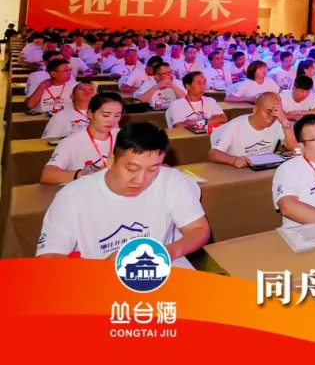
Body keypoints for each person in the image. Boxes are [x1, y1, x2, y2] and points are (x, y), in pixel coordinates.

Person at [37, 121, 209, 261]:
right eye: (132, 169)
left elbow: (199, 229)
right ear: (111, 160)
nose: (140, 180)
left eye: (152, 169)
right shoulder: (72, 197)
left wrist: (167, 252)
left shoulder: (171, 180)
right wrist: (103, 267)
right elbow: (47, 259)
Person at [41, 91, 124, 184]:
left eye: (117, 115)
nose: (111, 120)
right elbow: (47, 175)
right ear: (90, 113)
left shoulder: (123, 136)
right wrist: (81, 174)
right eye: (106, 115)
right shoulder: (71, 142)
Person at [209, 92, 295, 167]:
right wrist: (234, 160)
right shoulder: (235, 125)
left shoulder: (278, 123)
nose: (272, 116)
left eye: (276, 111)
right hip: (238, 170)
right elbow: (213, 154)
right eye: (268, 111)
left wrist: (285, 122)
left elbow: (293, 148)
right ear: (255, 109)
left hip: (263, 168)